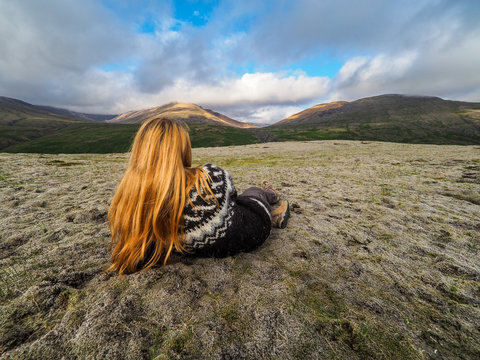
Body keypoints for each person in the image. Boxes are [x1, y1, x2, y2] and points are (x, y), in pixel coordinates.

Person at [107, 117, 290, 275]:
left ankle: (269, 195)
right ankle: (271, 197)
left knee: (237, 200)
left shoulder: (131, 198)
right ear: (180, 149)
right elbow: (232, 196)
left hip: (209, 244)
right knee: (252, 193)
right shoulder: (209, 175)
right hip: (253, 228)